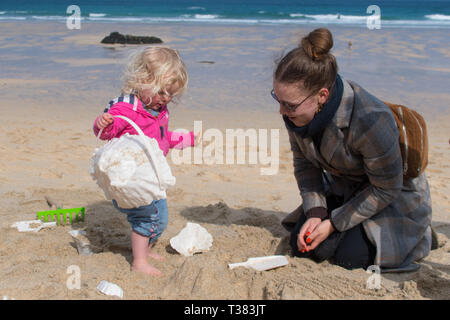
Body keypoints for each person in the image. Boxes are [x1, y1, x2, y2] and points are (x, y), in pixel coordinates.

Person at [273, 28, 433, 272]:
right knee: (305, 248)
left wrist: (333, 223)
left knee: (350, 260)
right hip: (344, 186)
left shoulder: (371, 119)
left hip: (389, 194)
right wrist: (316, 212)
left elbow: (386, 188)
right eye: (277, 99)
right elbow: (305, 166)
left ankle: (422, 235)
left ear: (322, 96)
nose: (281, 112)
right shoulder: (297, 116)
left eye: (289, 105)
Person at [93, 46, 200, 276]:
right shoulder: (127, 107)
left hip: (151, 175)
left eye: (171, 94)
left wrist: (188, 139)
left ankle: (146, 249)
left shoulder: (158, 109)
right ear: (142, 80)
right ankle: (139, 261)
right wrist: (105, 123)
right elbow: (108, 133)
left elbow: (162, 139)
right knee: (147, 217)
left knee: (160, 219)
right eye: (162, 92)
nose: (166, 99)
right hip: (133, 179)